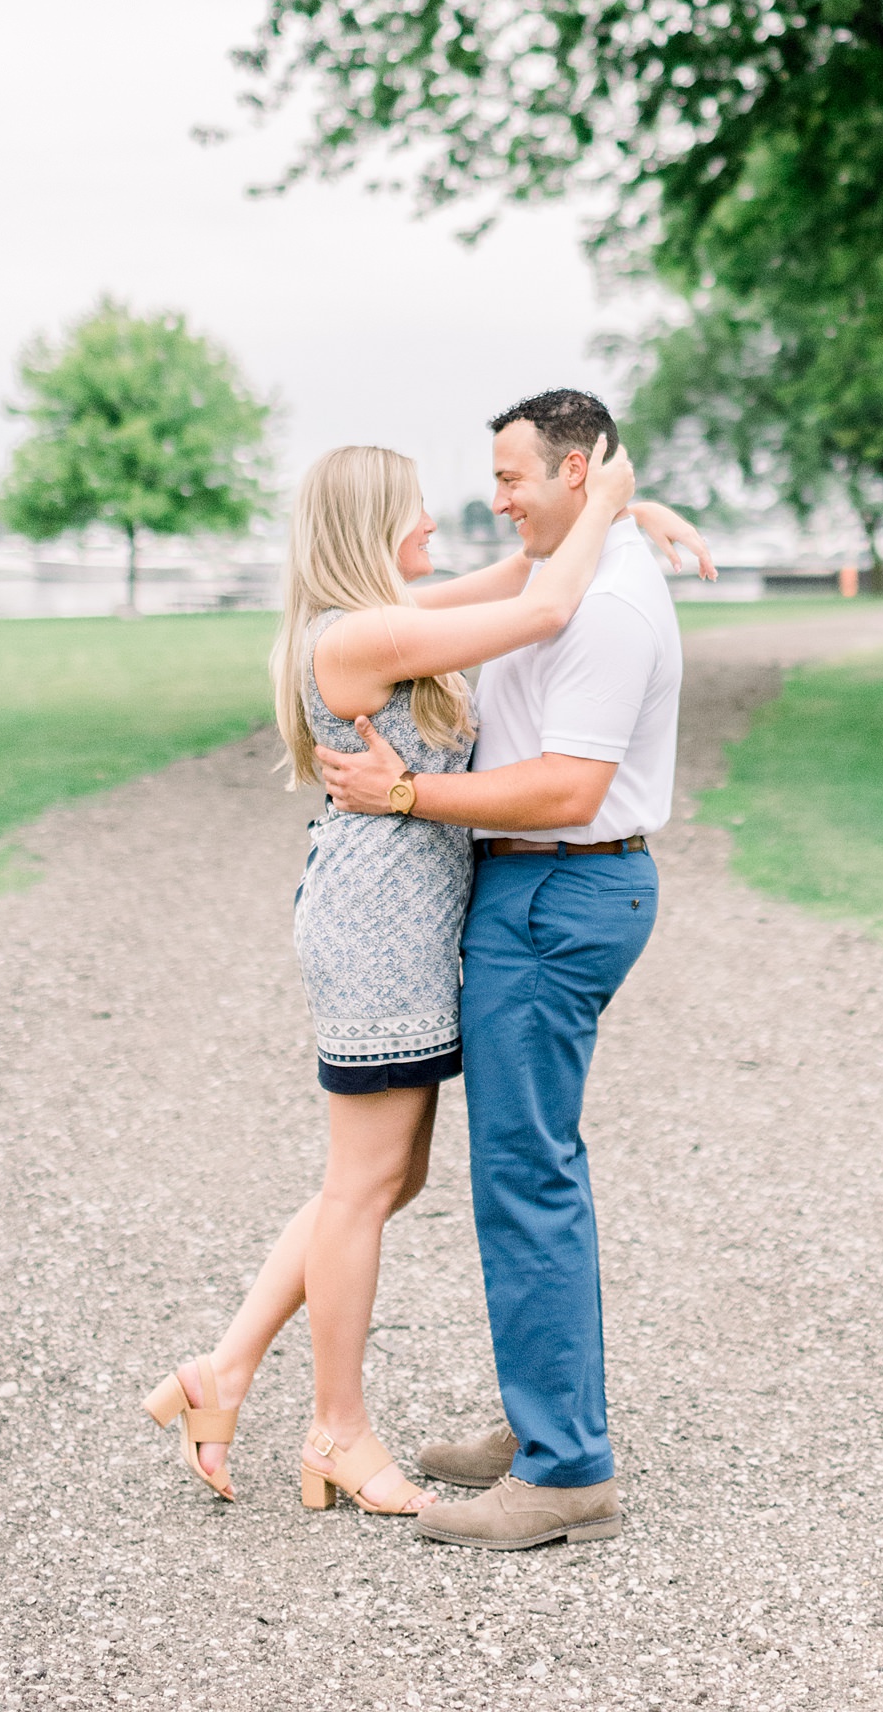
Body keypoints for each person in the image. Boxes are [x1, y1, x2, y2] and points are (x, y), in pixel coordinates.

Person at [142, 436, 710, 1517]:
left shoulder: (388, 613)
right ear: (372, 525)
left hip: (396, 915)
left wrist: (627, 515)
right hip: (377, 923)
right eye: (417, 511)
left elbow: (532, 569)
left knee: (384, 1181)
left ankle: (223, 1370)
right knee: (365, 1184)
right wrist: (615, 500)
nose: (441, 524)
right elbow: (542, 611)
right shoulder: (365, 633)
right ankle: (336, 1432)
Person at [316, 388, 690, 1550]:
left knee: (528, 1176)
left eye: (515, 478)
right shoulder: (561, 577)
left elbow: (571, 791)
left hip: (556, 885)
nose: (496, 499)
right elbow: (524, 593)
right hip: (530, 888)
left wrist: (409, 794)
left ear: (577, 472)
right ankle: (546, 1429)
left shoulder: (606, 605)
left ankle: (567, 1468)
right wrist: (625, 507)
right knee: (520, 1172)